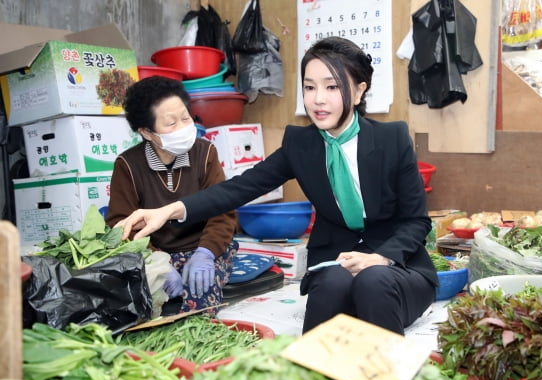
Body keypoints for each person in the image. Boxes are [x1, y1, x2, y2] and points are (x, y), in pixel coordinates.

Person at [116, 37, 438, 335]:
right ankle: (310, 379)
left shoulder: (392, 139)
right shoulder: (301, 145)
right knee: (330, 285)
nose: (318, 99)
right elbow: (239, 188)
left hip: (397, 271)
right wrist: (169, 210)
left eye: (332, 87)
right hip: (335, 262)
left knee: (373, 280)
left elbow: (416, 221)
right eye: (309, 87)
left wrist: (380, 258)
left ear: (357, 92)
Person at [106, 76, 238, 315]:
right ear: (147, 132)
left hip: (203, 247)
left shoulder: (205, 152)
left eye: (186, 118)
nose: (183, 127)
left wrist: (206, 252)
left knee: (201, 295)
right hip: (156, 251)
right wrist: (158, 261)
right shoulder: (128, 165)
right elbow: (120, 223)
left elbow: (223, 209)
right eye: (171, 123)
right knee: (136, 304)